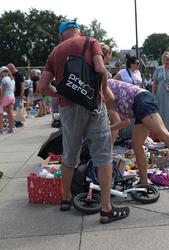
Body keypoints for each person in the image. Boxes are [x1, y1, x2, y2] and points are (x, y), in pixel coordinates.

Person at [38, 20, 129, 223]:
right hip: (94, 105)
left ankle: (66, 198)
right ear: (79, 31)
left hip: (68, 107)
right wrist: (102, 93)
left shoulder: (54, 52)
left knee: (70, 152)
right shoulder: (91, 42)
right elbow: (100, 69)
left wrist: (61, 94)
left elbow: (42, 86)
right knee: (103, 154)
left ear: (62, 35)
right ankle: (106, 209)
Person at [105, 79, 169, 194]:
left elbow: (110, 98)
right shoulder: (110, 101)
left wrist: (103, 110)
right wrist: (107, 130)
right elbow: (124, 122)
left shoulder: (101, 83)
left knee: (163, 134)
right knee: (136, 144)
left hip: (140, 100)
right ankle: (144, 181)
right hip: (137, 106)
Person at [7, 63, 25, 127]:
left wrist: (21, 95)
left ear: (11, 68)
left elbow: (22, 85)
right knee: (16, 108)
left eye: (8, 69)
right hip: (14, 94)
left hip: (18, 94)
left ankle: (19, 122)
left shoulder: (18, 75)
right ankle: (17, 121)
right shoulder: (13, 75)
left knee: (18, 108)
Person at [0, 66, 15, 134]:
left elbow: (3, 91)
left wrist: (0, 99)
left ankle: (2, 128)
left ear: (3, 72)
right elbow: (14, 89)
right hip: (12, 96)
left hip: (6, 97)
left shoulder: (4, 79)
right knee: (10, 113)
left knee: (2, 113)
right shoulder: (11, 79)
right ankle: (12, 127)